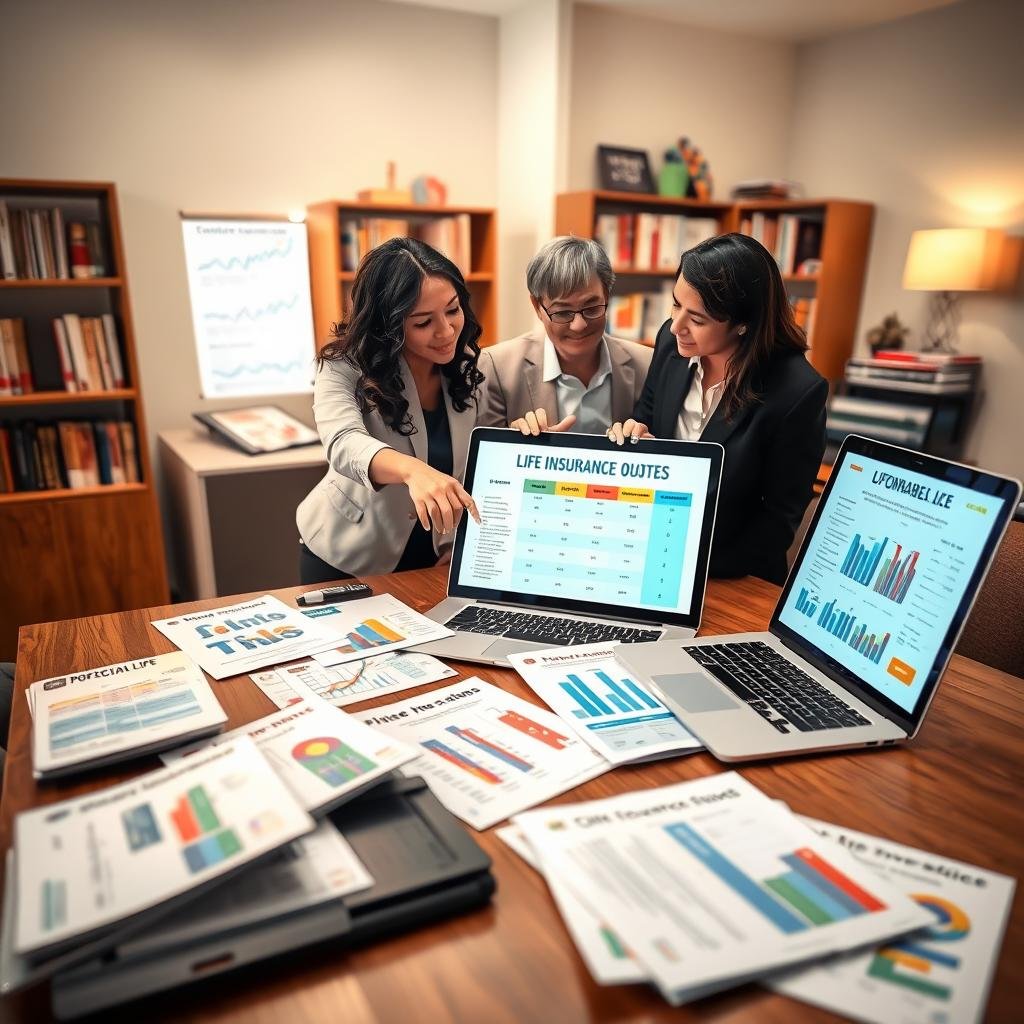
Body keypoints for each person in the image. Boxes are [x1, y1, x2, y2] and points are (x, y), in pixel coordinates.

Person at [607, 232, 827, 585]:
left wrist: (686, 567)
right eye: (676, 305)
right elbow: (645, 418)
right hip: (650, 562)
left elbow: (776, 524)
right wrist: (636, 436)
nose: (676, 326)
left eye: (697, 318)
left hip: (732, 580)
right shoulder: (672, 342)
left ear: (744, 324)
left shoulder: (797, 392)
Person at [296, 237, 483, 583]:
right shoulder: (342, 367)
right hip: (347, 554)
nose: (445, 332)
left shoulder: (468, 366)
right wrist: (414, 471)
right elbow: (343, 442)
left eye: (453, 310)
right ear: (389, 324)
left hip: (435, 557)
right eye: (423, 322)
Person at [477, 236, 651, 433]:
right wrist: (515, 444)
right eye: (562, 312)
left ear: (607, 297)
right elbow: (486, 458)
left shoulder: (647, 365)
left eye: (592, 308)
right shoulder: (497, 367)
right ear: (537, 307)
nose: (579, 325)